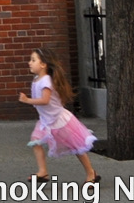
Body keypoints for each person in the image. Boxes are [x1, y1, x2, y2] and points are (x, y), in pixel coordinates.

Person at [19, 47, 102, 185]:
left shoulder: (46, 80)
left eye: (33, 60)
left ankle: (91, 172)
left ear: (43, 64)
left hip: (59, 120)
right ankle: (42, 171)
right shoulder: (37, 79)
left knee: (77, 147)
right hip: (46, 120)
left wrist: (27, 100)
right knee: (36, 141)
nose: (29, 63)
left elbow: (45, 100)